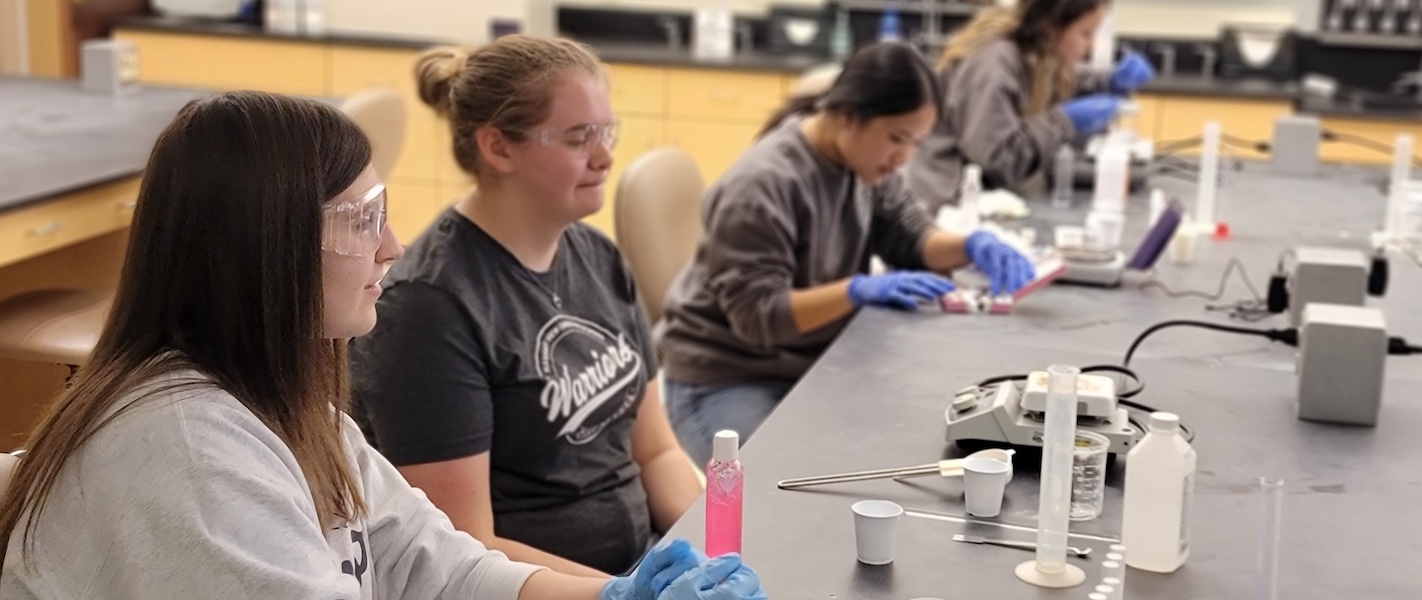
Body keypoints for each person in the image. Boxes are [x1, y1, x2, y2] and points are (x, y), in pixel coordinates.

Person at [0, 91, 763, 600]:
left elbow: (437, 564)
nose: (393, 246)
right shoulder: (190, 452)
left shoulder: (294, 411)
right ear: (264, 246)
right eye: (362, 219)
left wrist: (615, 595)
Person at [347, 36, 702, 578]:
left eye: (606, 132)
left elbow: (656, 452)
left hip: (635, 569)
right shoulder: (428, 310)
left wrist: (711, 549)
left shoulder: (596, 254)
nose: (605, 157)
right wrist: (627, 594)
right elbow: (463, 550)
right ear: (499, 148)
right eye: (579, 137)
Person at [655, 42, 1037, 467]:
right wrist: (855, 290)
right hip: (727, 375)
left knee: (888, 447)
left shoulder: (864, 165)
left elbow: (909, 236)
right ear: (847, 116)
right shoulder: (764, 184)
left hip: (802, 362)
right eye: (897, 138)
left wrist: (969, 244)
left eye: (915, 142)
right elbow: (759, 315)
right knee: (780, 490)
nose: (903, 158)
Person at [905, 0, 1156, 213]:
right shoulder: (993, 63)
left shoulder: (1032, 52)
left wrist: (1107, 81)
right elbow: (1001, 159)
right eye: (1085, 33)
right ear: (1051, 28)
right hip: (951, 209)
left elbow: (1057, 84)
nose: (1090, 46)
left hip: (987, 201)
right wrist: (1064, 121)